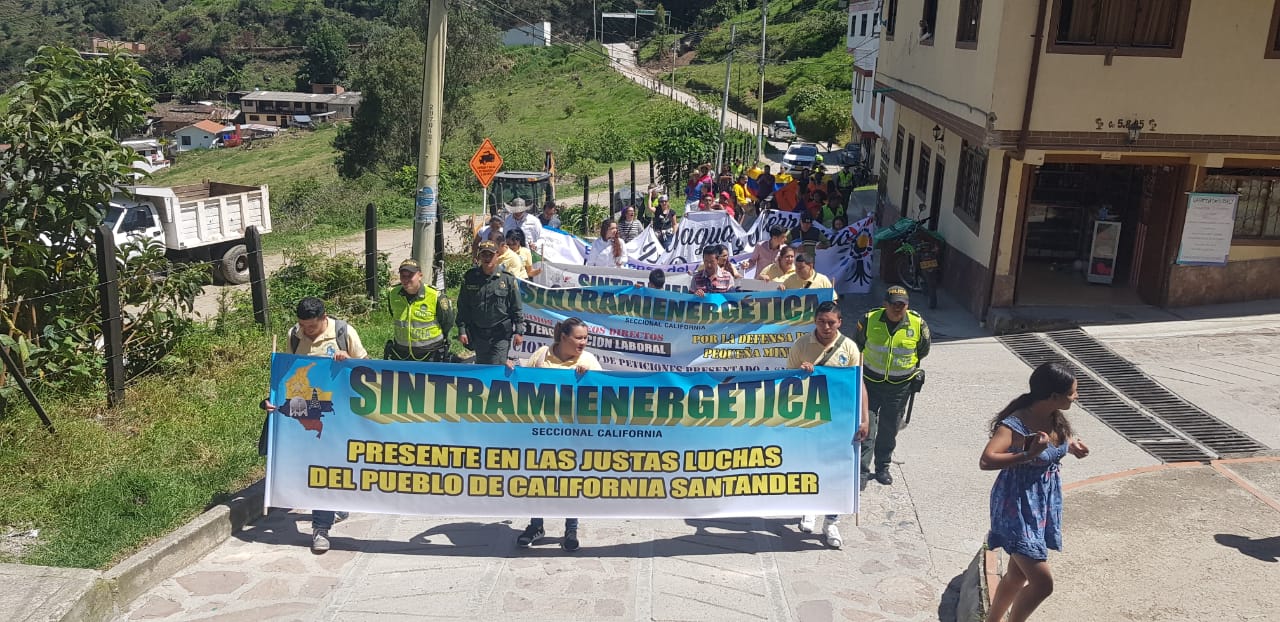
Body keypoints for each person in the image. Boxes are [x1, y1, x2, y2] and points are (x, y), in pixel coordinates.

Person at [981, 362, 1090, 622]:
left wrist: (1070, 446)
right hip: (1016, 506)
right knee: (1042, 584)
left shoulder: (1054, 417)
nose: (1076, 397)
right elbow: (986, 460)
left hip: (1040, 505)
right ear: (1053, 396)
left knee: (1017, 575)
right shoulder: (1015, 424)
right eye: (1072, 393)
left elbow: (1053, 446)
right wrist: (1027, 454)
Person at [266, 296, 369, 553]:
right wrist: (273, 400)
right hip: (306, 414)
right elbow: (287, 374)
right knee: (314, 467)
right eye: (302, 325)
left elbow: (366, 369)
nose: (306, 331)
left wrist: (348, 360)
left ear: (324, 318)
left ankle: (320, 527)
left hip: (339, 412)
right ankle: (331, 507)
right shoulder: (294, 335)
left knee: (324, 466)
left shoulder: (344, 332)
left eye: (311, 326)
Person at [786, 301, 870, 548]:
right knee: (808, 464)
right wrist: (801, 375)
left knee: (837, 469)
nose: (826, 327)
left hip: (840, 419)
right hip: (809, 416)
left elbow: (859, 384)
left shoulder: (850, 348)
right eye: (821, 322)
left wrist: (864, 419)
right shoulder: (801, 345)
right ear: (814, 321)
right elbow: (786, 381)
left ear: (840, 323)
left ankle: (831, 522)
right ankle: (808, 508)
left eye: (831, 322)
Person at [516, 317, 603, 552]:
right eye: (578, 338)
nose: (583, 342)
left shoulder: (588, 361)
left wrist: (589, 379)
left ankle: (571, 529)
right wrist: (510, 370)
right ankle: (536, 526)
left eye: (586, 338)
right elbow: (522, 381)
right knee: (537, 479)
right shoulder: (542, 355)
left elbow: (604, 394)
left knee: (570, 481)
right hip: (541, 430)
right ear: (564, 337)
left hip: (573, 432)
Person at [853, 285, 930, 486]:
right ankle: (861, 471)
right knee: (867, 427)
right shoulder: (869, 319)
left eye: (902, 305)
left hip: (900, 387)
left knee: (889, 429)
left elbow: (923, 350)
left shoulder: (917, 323)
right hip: (870, 383)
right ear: (885, 304)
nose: (898, 308)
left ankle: (882, 467)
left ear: (907, 305)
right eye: (894, 304)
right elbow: (858, 345)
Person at [457, 241, 524, 365]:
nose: (487, 258)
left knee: (497, 364)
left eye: (490, 255)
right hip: (479, 333)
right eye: (484, 255)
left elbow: (516, 307)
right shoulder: (470, 278)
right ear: (479, 256)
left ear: (497, 255)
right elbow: (463, 306)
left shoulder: (507, 279)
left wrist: (519, 331)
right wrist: (462, 329)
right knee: (483, 365)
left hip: (500, 334)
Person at [384, 259, 453, 362]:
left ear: (420, 276)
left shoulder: (435, 296)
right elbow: (392, 313)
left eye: (410, 276)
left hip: (431, 353)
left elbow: (447, 321)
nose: (406, 279)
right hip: (402, 354)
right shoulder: (393, 293)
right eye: (403, 276)